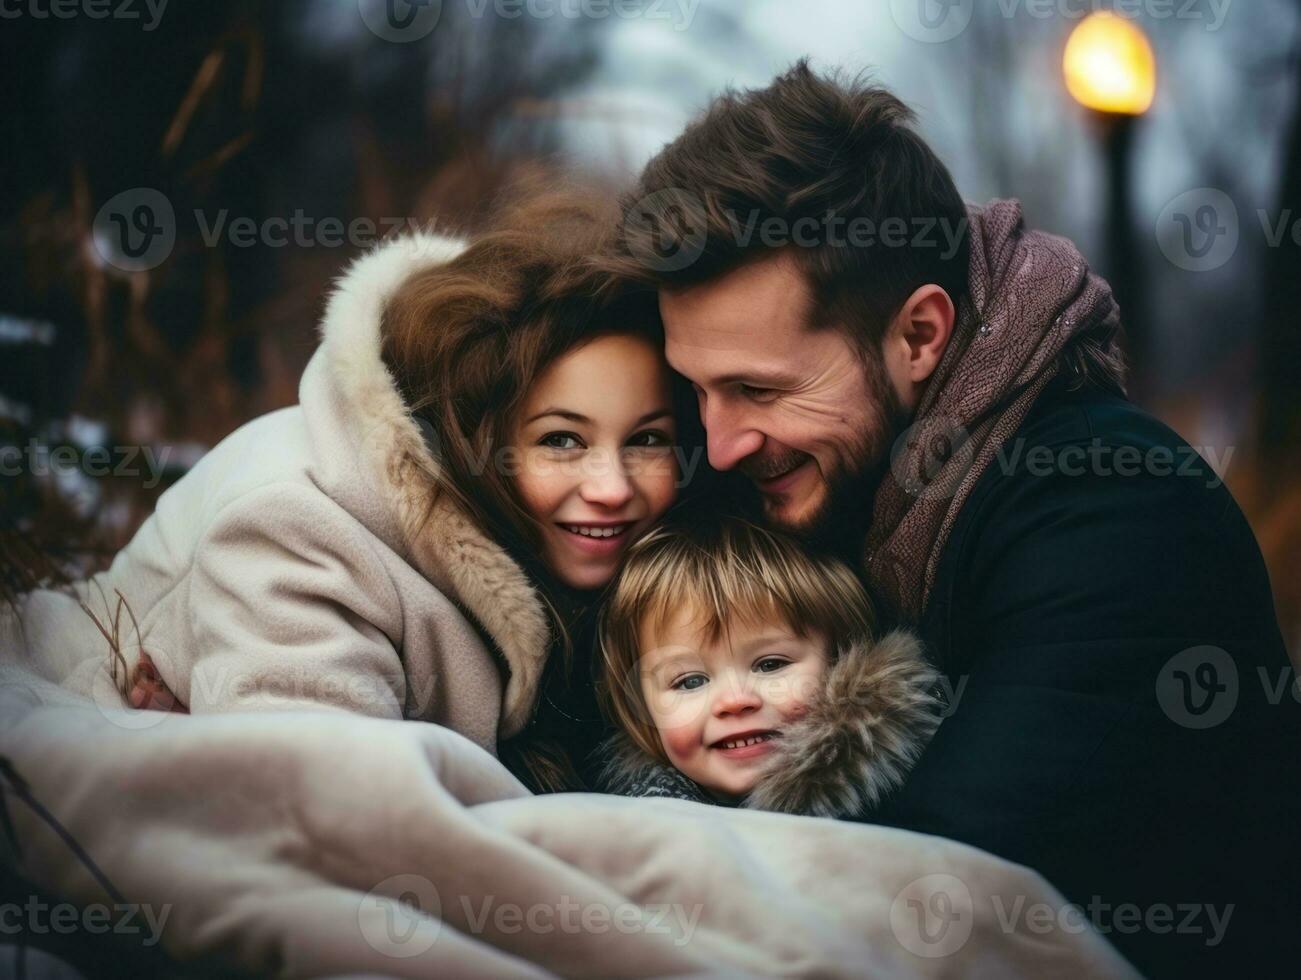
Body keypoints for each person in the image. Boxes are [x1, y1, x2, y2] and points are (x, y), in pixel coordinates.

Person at [606, 60, 1301, 975]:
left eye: (756, 390)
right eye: (698, 392)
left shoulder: (1115, 516)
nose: (723, 443)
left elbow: (916, 906)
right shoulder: (836, 482)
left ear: (920, 335)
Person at [1, 193, 685, 793]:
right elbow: (326, 818)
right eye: (560, 441)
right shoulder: (295, 527)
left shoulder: (650, 540)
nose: (611, 488)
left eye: (648, 439)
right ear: (470, 433)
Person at [593, 517, 940, 816]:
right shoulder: (638, 825)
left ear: (843, 665)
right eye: (689, 682)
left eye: (770, 664)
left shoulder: (909, 792)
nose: (735, 700)